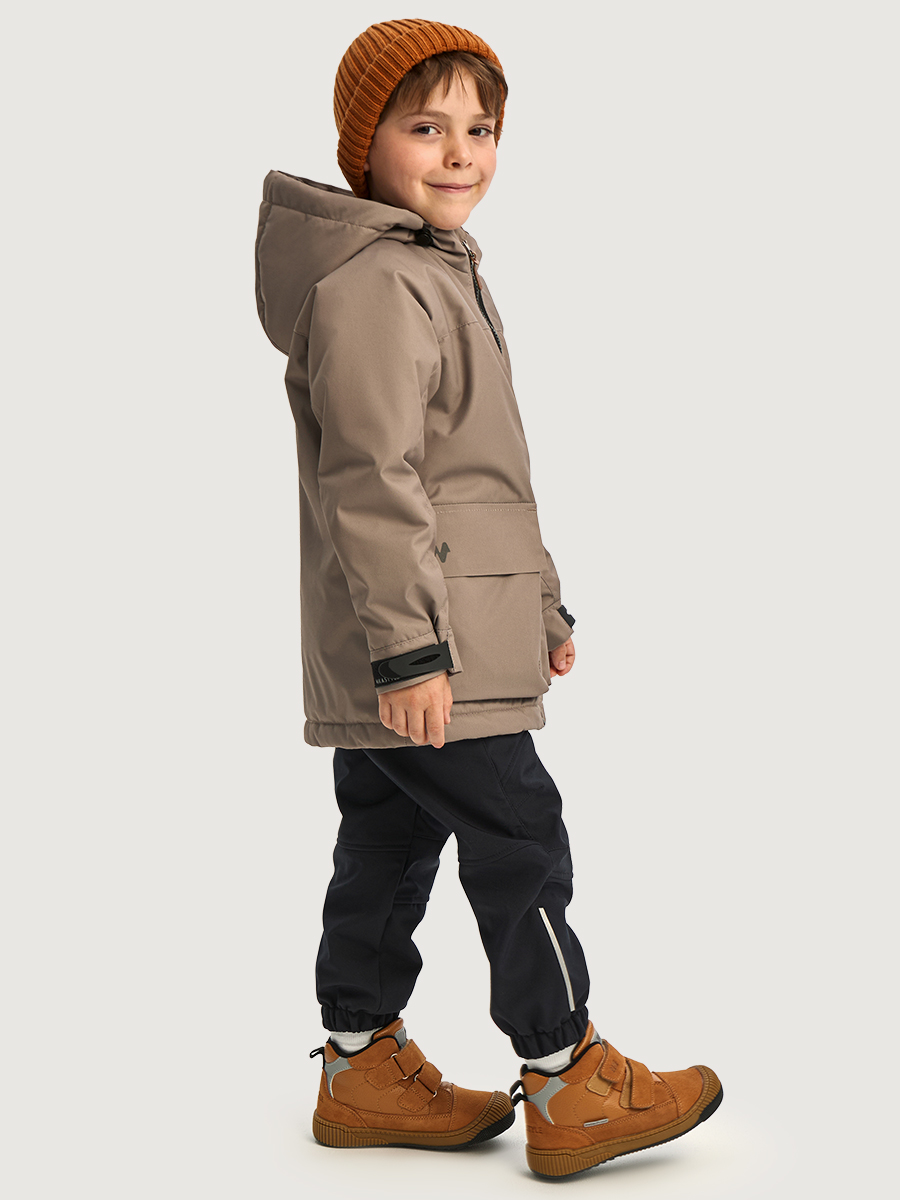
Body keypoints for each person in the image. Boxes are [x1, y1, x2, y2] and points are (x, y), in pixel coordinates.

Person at [254, 17, 722, 1179]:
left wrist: (542, 606)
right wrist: (411, 654)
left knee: (388, 837)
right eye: (427, 127)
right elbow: (375, 481)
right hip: (429, 650)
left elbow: (479, 478)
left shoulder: (433, 268)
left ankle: (360, 1063)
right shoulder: (377, 284)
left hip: (449, 629)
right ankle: (568, 1078)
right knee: (521, 836)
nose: (461, 152)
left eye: (482, 128)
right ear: (364, 145)